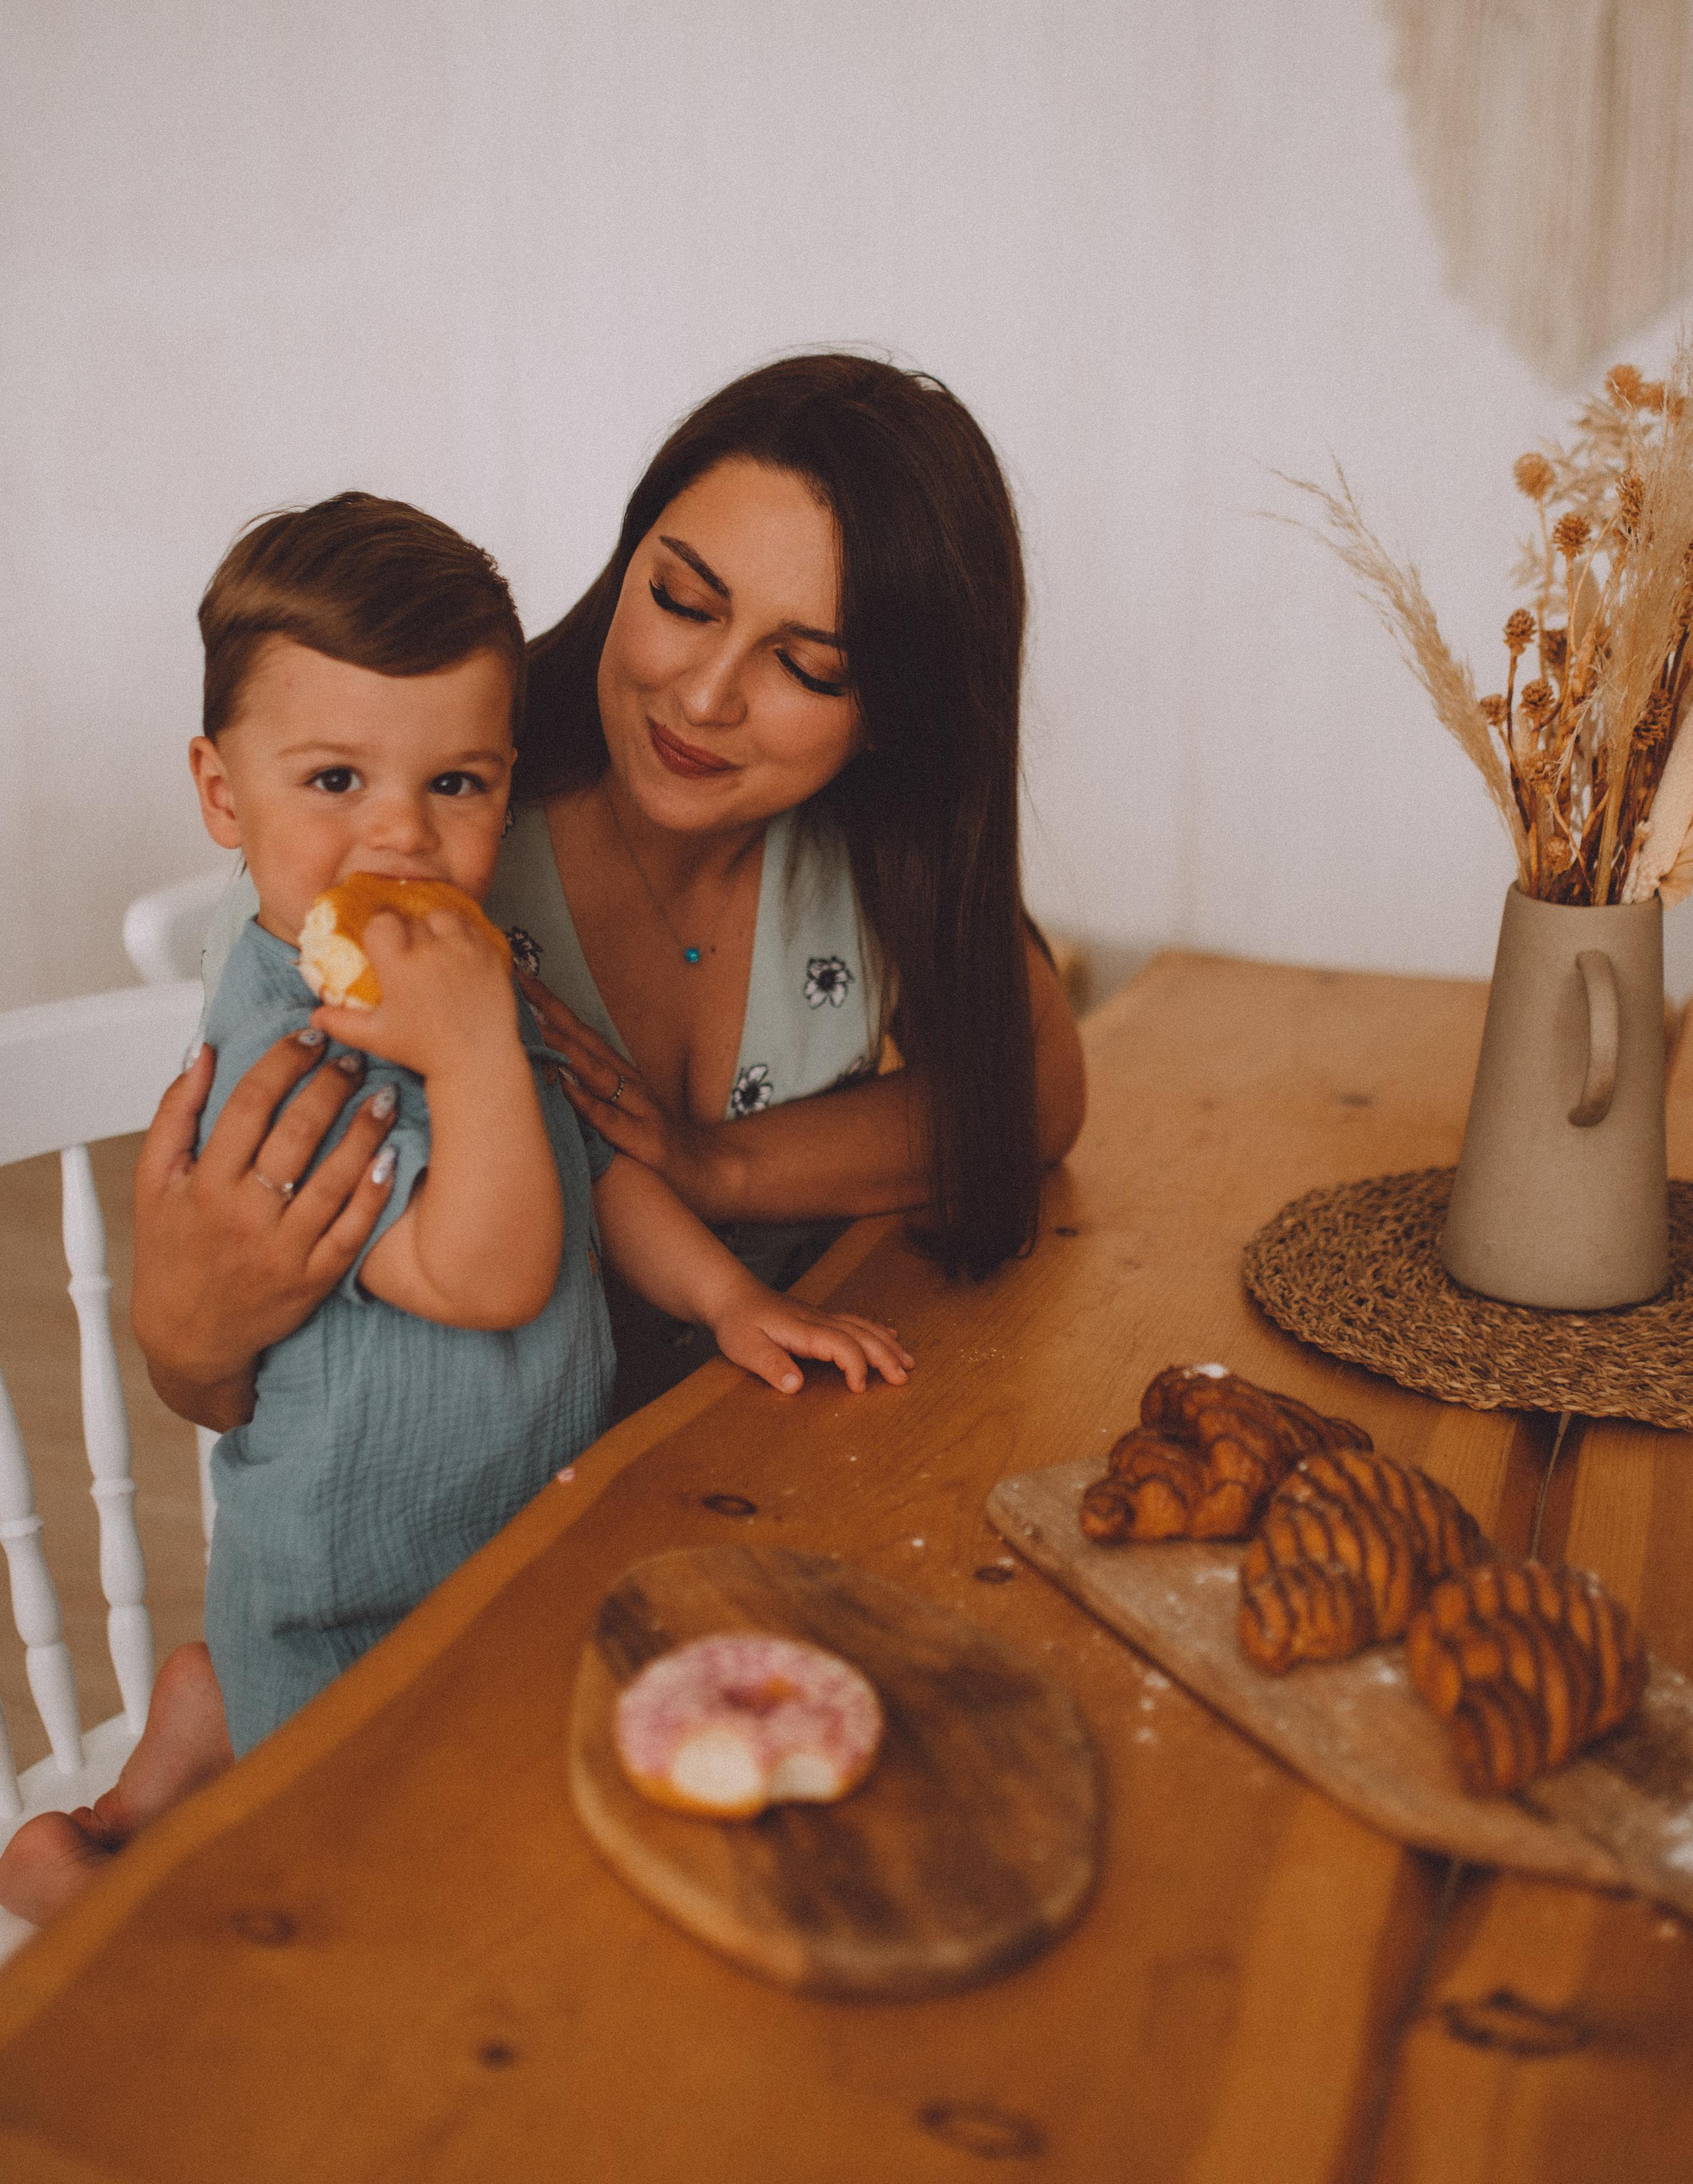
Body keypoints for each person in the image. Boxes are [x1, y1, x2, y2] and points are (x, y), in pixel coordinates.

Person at [0, 492, 906, 1925]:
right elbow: (472, 1272)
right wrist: (475, 1040)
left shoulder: (456, 963)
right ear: (224, 794)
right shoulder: (291, 1039)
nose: (400, 840)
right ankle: (106, 1864)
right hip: (358, 1588)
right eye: (335, 782)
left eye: (457, 785)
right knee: (348, 1906)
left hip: (503, 1528)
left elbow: (591, 1163)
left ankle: (198, 1718)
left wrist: (728, 1296)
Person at [127, 354, 1087, 1433]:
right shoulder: (402, 860)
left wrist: (718, 1169)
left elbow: (1033, 1095)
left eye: (809, 666)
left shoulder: (873, 844)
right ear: (627, 562)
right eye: (683, 601)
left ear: (903, 710)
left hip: (762, 1450)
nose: (707, 695)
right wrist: (181, 1334)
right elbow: (228, 1387)